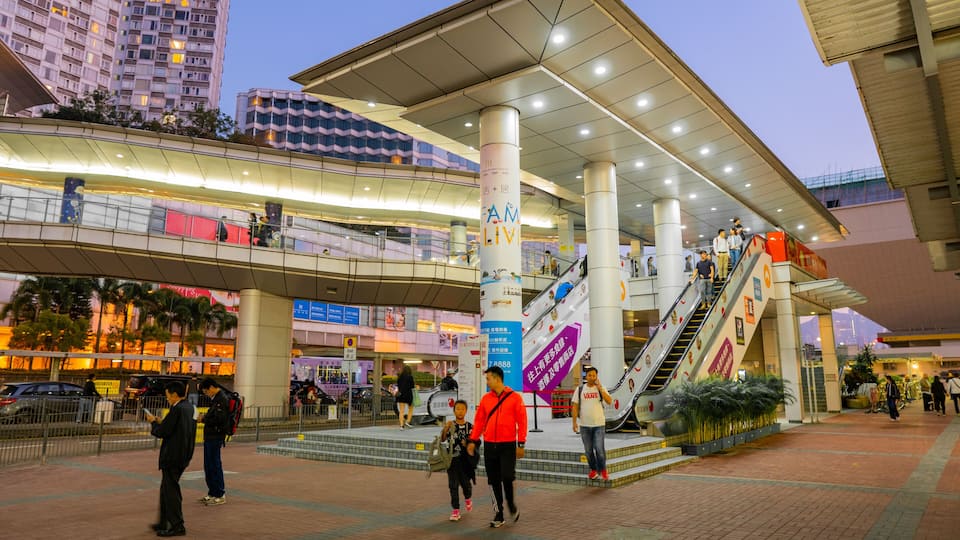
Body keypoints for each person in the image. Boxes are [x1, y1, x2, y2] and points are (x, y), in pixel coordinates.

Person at [467, 365, 527, 528]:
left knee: (507, 476)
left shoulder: (515, 398)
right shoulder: (486, 399)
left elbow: (522, 421)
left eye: (488, 378)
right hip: (489, 445)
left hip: (507, 445)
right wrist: (472, 440)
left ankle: (511, 505)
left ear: (497, 378)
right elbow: (479, 421)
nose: (487, 382)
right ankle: (499, 513)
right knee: (493, 480)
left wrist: (521, 443)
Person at [145, 381, 196, 537]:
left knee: (170, 491)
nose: (166, 398)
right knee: (166, 489)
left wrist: (153, 423)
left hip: (172, 455)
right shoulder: (189, 407)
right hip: (184, 454)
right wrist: (162, 422)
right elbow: (177, 427)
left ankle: (177, 525)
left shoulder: (177, 409)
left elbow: (162, 432)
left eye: (167, 395)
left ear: (174, 394)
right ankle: (163, 521)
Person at [571, 366, 613, 480]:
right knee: (588, 451)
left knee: (599, 449)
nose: (592, 377)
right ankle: (594, 470)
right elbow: (575, 406)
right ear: (586, 376)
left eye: (594, 375)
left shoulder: (601, 388)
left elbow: (609, 401)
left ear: (596, 376)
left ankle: (603, 470)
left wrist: (600, 388)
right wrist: (574, 422)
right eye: (590, 375)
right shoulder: (580, 389)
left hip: (599, 424)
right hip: (584, 426)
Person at [441, 400, 475, 521]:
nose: (460, 411)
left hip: (465, 461)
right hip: (452, 460)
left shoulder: (470, 427)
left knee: (465, 483)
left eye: (462, 409)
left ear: (466, 411)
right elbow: (442, 439)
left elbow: (474, 442)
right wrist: (445, 429)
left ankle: (468, 497)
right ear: (454, 410)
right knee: (452, 485)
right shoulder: (450, 425)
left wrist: (469, 444)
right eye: (458, 409)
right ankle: (455, 510)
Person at [198, 378, 229, 506]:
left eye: (206, 391)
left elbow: (219, 419)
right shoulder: (216, 399)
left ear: (211, 387)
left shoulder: (221, 399)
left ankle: (220, 493)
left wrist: (203, 419)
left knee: (214, 465)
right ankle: (212, 492)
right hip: (210, 436)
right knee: (208, 465)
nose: (206, 394)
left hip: (215, 436)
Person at [396, 364, 415, 429]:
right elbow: (412, 386)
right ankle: (408, 421)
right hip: (408, 395)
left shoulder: (399, 377)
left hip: (401, 395)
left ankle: (401, 425)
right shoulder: (410, 377)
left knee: (401, 411)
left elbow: (398, 385)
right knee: (411, 408)